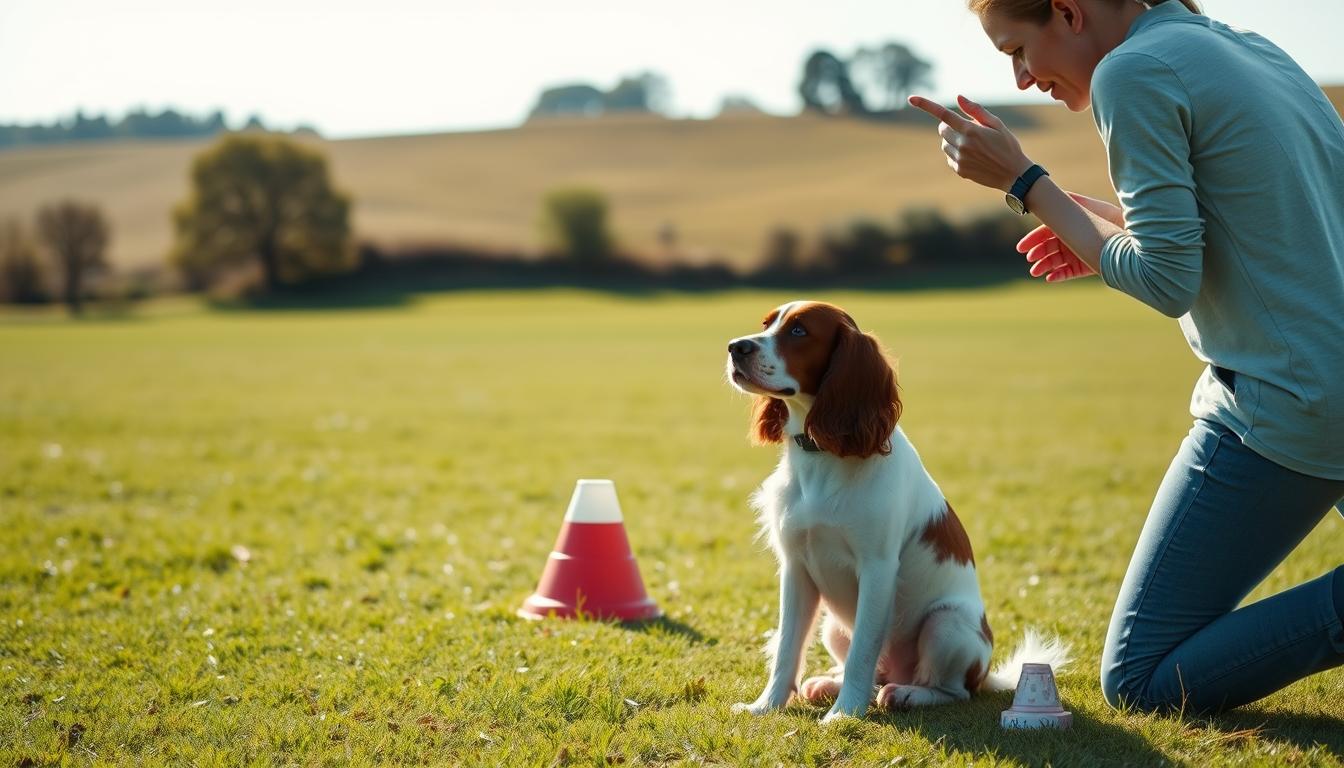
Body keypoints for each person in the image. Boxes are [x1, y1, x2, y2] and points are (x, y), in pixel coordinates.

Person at [908, 0, 1344, 715]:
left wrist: (1024, 182)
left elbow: (1166, 283)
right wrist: (1107, 228)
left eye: (1017, 50)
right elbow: (1278, 230)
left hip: (1291, 401)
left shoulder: (1132, 73)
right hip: (1326, 380)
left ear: (1068, 12)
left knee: (1139, 679)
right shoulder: (1253, 49)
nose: (1021, 79)